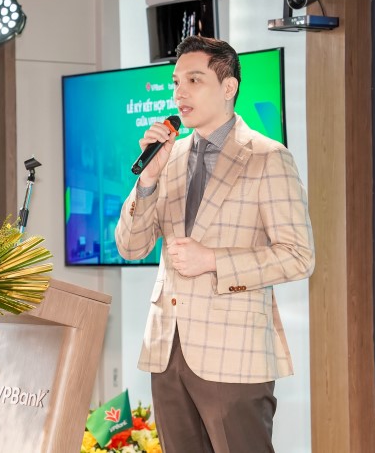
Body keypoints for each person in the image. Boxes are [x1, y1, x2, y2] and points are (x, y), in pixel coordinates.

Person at [115, 36, 315, 452]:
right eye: (175, 82)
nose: (180, 92)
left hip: (234, 354)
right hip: (167, 352)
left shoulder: (267, 157)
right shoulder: (166, 158)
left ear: (228, 87)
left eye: (194, 80)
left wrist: (213, 260)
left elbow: (299, 256)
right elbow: (131, 248)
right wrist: (147, 180)